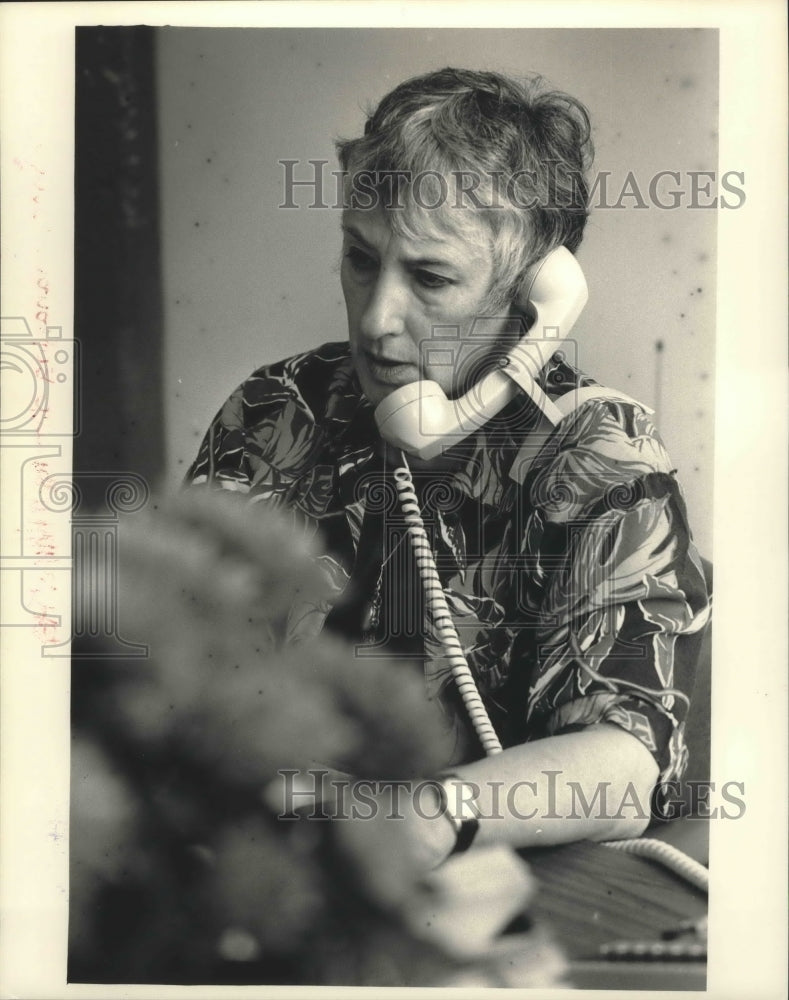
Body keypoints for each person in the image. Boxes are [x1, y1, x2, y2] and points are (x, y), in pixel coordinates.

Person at [185, 67, 710, 874]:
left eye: (428, 278)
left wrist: (423, 815)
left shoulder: (598, 456)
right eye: (361, 260)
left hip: (501, 900)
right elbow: (176, 671)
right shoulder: (275, 409)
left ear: (537, 296)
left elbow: (622, 763)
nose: (375, 318)